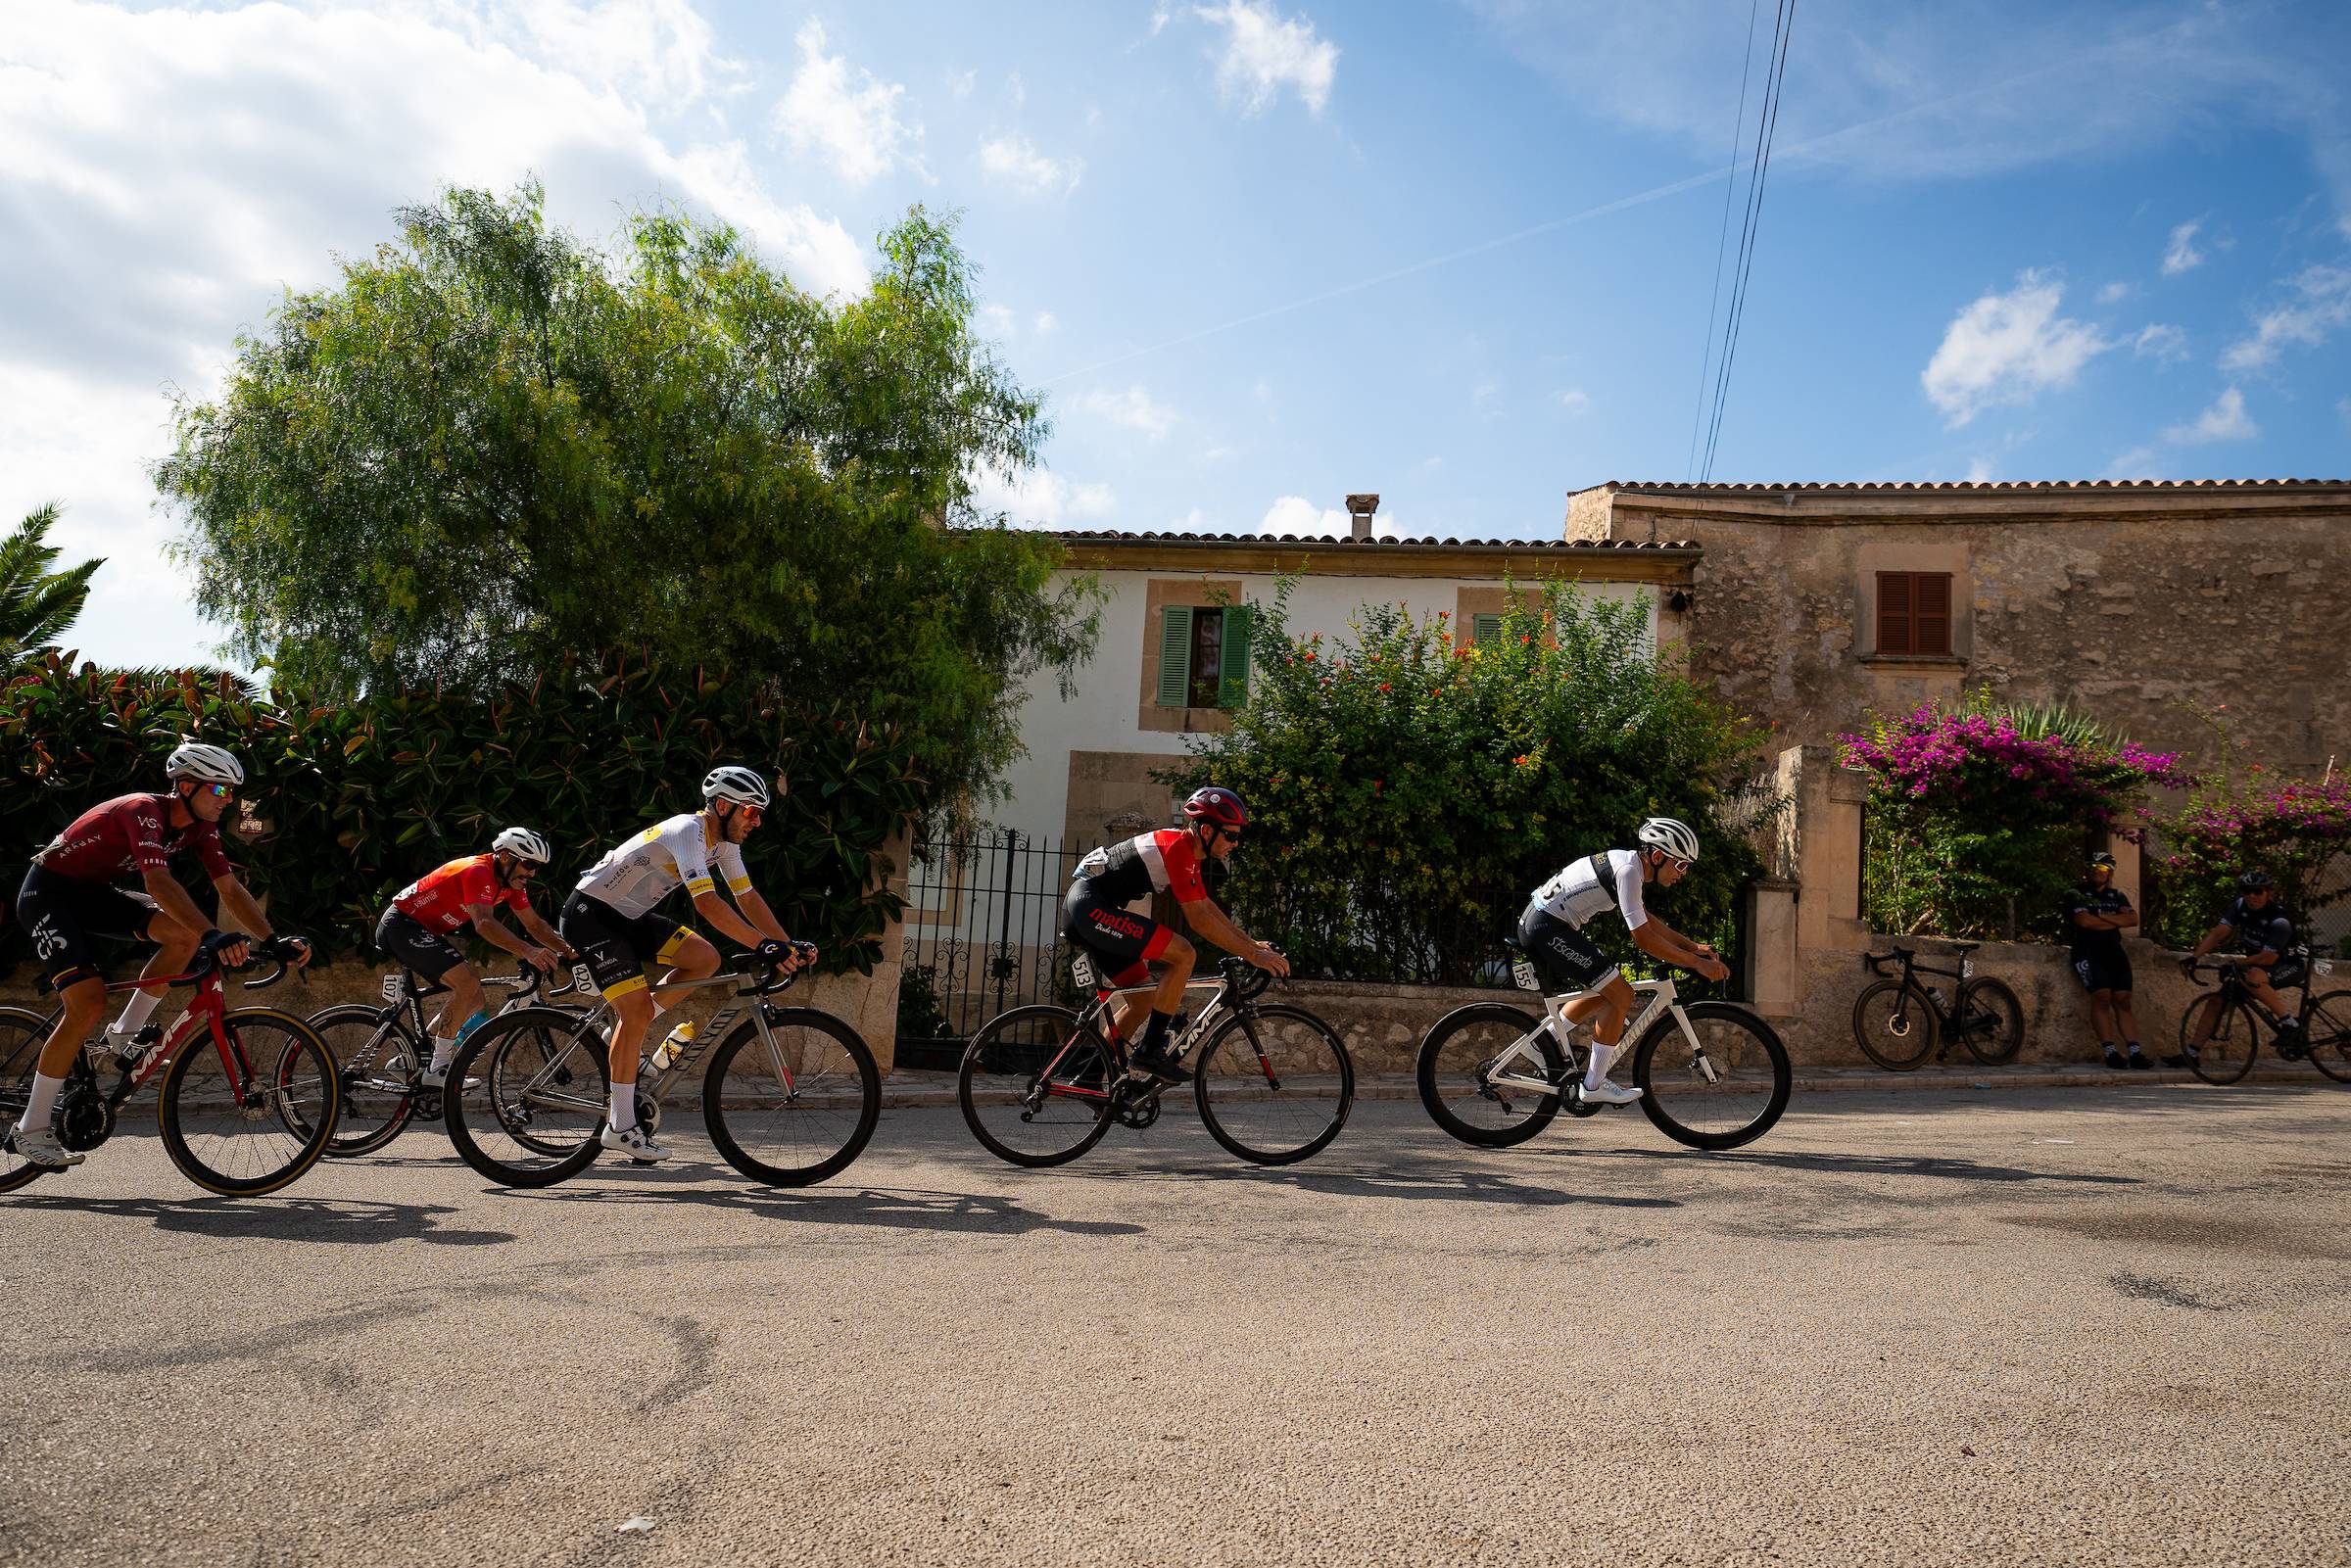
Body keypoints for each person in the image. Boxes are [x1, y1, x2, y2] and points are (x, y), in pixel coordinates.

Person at [6, 743, 309, 1169]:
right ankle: (31, 1128)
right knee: (87, 1003)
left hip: (92, 894)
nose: (228, 801)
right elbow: (158, 881)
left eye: (232, 794)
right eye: (220, 791)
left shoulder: (200, 827)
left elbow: (229, 888)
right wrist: (213, 934)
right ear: (185, 786)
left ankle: (121, 1034)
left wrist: (272, 938)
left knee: (182, 939)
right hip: (48, 895)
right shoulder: (142, 810)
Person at [560, 767, 804, 1162]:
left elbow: (746, 897)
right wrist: (763, 946)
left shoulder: (723, 843)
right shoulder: (686, 830)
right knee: (636, 1011)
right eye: (751, 812)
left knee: (704, 958)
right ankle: (620, 1126)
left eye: (760, 813)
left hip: (629, 918)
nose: (756, 822)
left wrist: (785, 945)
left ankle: (627, 1031)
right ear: (723, 806)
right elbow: (707, 903)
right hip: (591, 915)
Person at [1062, 786, 1290, 1081]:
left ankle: (1091, 1076)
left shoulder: (1187, 851)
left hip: (1092, 909)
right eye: (1231, 835)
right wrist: (1253, 955)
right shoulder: (1178, 848)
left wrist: (1251, 944)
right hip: (1091, 908)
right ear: (1207, 831)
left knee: (1143, 999)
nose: (1235, 843)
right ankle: (1150, 1051)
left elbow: (1205, 906)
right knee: (1184, 953)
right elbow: (1199, 922)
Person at [1519, 816, 1730, 1107]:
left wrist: (1692, 947)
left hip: (1546, 924)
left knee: (1610, 990)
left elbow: (1647, 920)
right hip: (1547, 928)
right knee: (1620, 993)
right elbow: (1643, 938)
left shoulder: (1627, 865)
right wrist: (1696, 963)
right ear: (1657, 856)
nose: (1684, 873)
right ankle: (1592, 1085)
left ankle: (1540, 1041)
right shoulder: (1628, 870)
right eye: (1681, 865)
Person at [376, 828, 576, 1087]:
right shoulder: (477, 871)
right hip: (401, 925)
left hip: (422, 929)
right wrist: (528, 951)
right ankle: (437, 1069)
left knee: (474, 1000)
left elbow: (535, 925)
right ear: (505, 857)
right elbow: (483, 923)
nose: (532, 873)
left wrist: (569, 951)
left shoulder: (510, 883)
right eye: (528, 864)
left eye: (536, 867)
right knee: (468, 982)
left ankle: (415, 1057)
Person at [2176, 870, 2309, 1063]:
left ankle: (2289, 1022)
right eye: (2246, 891)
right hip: (2257, 965)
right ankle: (2192, 1053)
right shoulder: (2240, 906)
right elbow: (2218, 933)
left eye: (2257, 891)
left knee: (2251, 977)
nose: (2251, 896)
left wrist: (2236, 962)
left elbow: (2268, 958)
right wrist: (2195, 957)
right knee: (2216, 1003)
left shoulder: (2280, 920)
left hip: (2287, 966)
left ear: (2268, 893)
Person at [2068, 851, 2147, 1070]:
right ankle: (2110, 1051)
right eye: (2092, 867)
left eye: (2102, 869)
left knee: (2123, 999)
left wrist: (2101, 917)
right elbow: (2084, 922)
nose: (2096, 872)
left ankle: (2135, 1051)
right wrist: (2115, 921)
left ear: (2110, 873)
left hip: (2114, 951)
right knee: (2102, 996)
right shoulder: (2077, 893)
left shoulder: (2117, 895)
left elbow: (2133, 919)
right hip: (2087, 951)